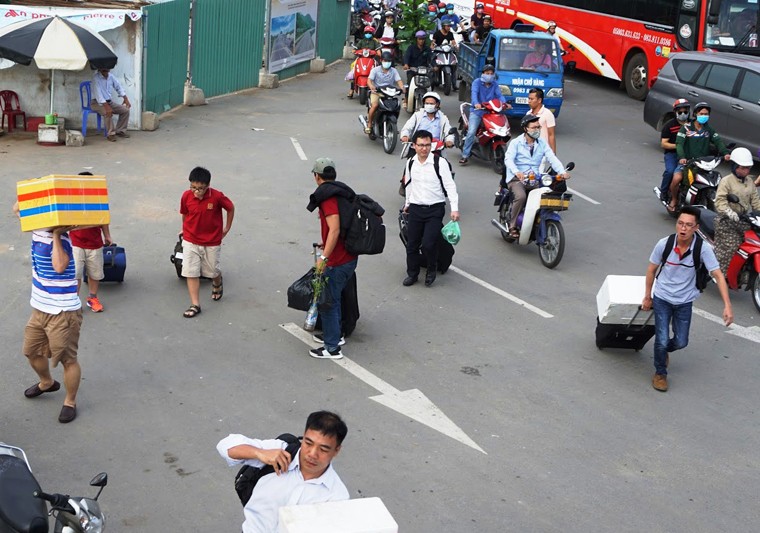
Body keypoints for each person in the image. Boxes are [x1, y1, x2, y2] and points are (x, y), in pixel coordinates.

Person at [642, 206, 733, 392]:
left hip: (684, 301)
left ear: (696, 228)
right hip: (662, 298)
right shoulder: (664, 244)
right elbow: (651, 270)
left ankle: (664, 351)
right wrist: (647, 297)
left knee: (681, 341)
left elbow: (717, 274)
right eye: (680, 223)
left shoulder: (703, 249)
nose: (683, 228)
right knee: (661, 339)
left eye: (688, 225)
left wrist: (727, 305)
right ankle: (660, 373)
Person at [217, 411, 349, 533]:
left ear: (336, 450)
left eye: (323, 449)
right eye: (308, 443)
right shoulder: (280, 451)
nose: (312, 454)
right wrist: (259, 453)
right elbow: (225, 446)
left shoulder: (337, 496)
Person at [13, 203, 83, 424]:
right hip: (39, 308)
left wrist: (57, 234)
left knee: (68, 360)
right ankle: (47, 383)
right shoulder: (36, 228)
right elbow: (17, 208)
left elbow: (60, 266)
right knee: (31, 352)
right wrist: (35, 194)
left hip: (63, 311)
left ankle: (70, 401)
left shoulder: (63, 240)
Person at [305, 158, 358, 359]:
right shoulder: (341, 192)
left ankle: (332, 348)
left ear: (317, 176)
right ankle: (336, 334)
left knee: (329, 302)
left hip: (338, 260)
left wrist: (324, 257)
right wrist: (324, 242)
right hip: (348, 256)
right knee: (337, 298)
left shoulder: (327, 198)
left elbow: (335, 229)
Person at [401, 129, 459, 287]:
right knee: (412, 244)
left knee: (428, 243)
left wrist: (454, 209)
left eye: (427, 145)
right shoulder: (411, 162)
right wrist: (407, 203)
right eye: (420, 145)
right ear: (414, 145)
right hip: (416, 209)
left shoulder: (439, 163)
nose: (424, 148)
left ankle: (431, 270)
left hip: (435, 209)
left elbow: (450, 186)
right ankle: (412, 274)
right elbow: (409, 185)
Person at [179, 166, 235, 318]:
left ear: (208, 186)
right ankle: (195, 304)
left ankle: (217, 281)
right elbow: (185, 213)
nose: (196, 192)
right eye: (193, 188)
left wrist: (226, 228)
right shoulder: (186, 196)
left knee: (212, 271)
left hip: (212, 241)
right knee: (191, 271)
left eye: (200, 188)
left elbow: (230, 208)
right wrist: (184, 229)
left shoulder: (217, 197)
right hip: (191, 240)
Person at [502, 114, 567, 238]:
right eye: (534, 127)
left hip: (535, 178)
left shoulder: (541, 143)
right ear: (525, 129)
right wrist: (517, 171)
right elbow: (508, 159)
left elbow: (552, 158)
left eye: (538, 127)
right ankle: (512, 225)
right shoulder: (516, 143)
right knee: (521, 197)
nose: (537, 130)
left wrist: (562, 172)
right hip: (517, 179)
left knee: (548, 195)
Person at [669, 101, 730, 212]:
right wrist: (682, 157)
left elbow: (718, 141)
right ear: (695, 114)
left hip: (704, 164)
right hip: (688, 163)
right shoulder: (686, 128)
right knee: (677, 178)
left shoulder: (709, 130)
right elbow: (679, 144)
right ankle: (674, 199)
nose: (704, 116)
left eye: (706, 114)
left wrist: (725, 153)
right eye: (701, 113)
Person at [713, 147, 760, 273]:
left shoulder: (750, 182)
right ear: (735, 166)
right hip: (726, 221)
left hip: (744, 221)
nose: (746, 170)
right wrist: (729, 212)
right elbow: (720, 201)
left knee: (753, 244)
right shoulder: (726, 181)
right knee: (732, 247)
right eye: (743, 167)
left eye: (748, 168)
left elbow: (755, 201)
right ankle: (720, 274)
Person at [459, 64, 510, 165]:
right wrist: (477, 103)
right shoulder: (476, 82)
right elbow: (474, 94)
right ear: (483, 74)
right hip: (477, 111)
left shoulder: (494, 84)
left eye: (491, 74)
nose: (489, 75)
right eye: (487, 73)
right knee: (471, 132)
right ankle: (465, 155)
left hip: (490, 112)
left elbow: (499, 95)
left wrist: (504, 104)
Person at [657, 98, 691, 200]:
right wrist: (679, 146)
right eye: (680, 112)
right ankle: (663, 192)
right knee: (670, 171)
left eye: (685, 111)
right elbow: (664, 144)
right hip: (672, 154)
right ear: (675, 112)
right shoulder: (669, 126)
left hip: (688, 155)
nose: (683, 114)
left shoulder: (693, 125)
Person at [366, 52, 405, 137]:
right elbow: (369, 81)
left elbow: (399, 81)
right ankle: (369, 124)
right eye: (385, 60)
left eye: (389, 61)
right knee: (375, 105)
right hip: (377, 93)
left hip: (389, 93)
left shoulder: (394, 71)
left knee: (396, 107)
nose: (387, 62)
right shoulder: (375, 70)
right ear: (381, 60)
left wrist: (402, 88)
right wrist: (372, 86)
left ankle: (392, 124)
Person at [91, 68, 131, 142]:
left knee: (125, 110)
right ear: (100, 69)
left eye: (107, 68)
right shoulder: (95, 78)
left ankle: (120, 131)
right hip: (96, 103)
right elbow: (98, 95)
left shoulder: (111, 76)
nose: (106, 70)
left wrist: (125, 98)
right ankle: (111, 134)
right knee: (107, 112)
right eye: (104, 68)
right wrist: (107, 107)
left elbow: (118, 87)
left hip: (109, 102)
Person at [348, 26, 381, 98]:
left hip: (372, 59)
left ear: (372, 34)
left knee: (378, 68)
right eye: (366, 33)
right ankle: (352, 89)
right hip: (361, 59)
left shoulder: (375, 42)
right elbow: (354, 49)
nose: (368, 34)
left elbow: (378, 52)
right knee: (353, 68)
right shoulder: (361, 41)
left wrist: (377, 53)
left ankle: (378, 87)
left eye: (370, 33)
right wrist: (355, 51)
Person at [527, 87, 556, 153]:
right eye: (529, 98)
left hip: (542, 151)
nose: (529, 101)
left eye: (532, 99)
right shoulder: (528, 114)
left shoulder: (548, 114)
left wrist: (553, 155)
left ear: (539, 100)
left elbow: (551, 135)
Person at [431, 19, 458, 90]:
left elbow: (453, 42)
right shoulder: (437, 33)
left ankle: (454, 84)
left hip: (448, 51)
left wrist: (455, 47)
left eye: (449, 26)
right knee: (432, 61)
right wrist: (432, 47)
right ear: (443, 26)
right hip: (438, 51)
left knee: (454, 65)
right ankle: (433, 79)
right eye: (447, 26)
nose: (449, 28)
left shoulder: (450, 34)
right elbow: (433, 43)